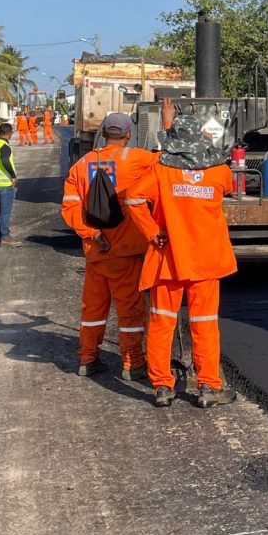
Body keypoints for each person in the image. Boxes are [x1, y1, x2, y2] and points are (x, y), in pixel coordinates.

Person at [125, 115, 238, 408]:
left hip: (168, 260)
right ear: (201, 138)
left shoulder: (160, 170)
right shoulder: (219, 171)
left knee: (162, 322)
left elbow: (134, 199)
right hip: (206, 259)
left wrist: (153, 232)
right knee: (204, 323)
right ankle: (209, 385)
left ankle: (162, 385)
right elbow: (228, 188)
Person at [61, 112, 157, 379]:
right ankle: (132, 363)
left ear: (102, 133)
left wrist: (91, 234)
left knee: (92, 308)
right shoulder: (137, 159)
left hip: (95, 252)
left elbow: (70, 208)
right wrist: (169, 125)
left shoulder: (81, 165)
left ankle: (88, 359)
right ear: (128, 135)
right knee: (130, 310)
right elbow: (168, 162)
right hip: (125, 251)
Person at [0, 123, 21, 247]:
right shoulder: (4, 146)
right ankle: (5, 237)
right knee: (5, 211)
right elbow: (5, 160)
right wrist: (13, 175)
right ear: (10, 133)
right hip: (4, 183)